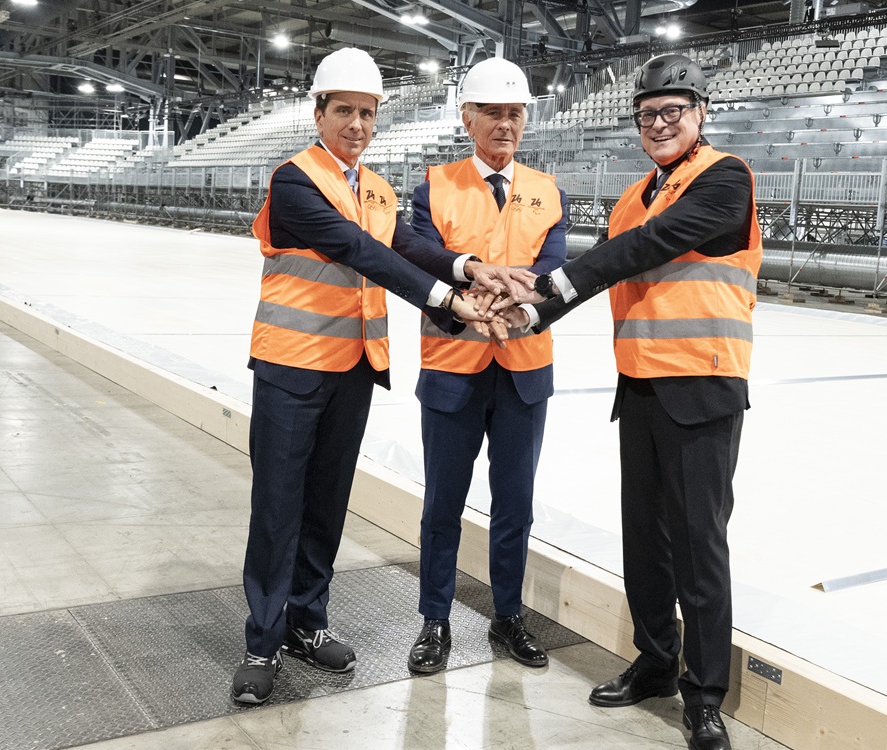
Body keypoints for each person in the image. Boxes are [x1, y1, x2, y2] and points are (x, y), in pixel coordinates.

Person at [233, 47, 527, 705]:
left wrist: (468, 268)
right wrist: (447, 301)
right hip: (291, 368)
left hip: (353, 368)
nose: (357, 124)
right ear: (318, 113)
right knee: (278, 507)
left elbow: (407, 245)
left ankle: (306, 621)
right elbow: (360, 250)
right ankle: (261, 642)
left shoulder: (376, 188)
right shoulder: (294, 181)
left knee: (326, 503)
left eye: (368, 113)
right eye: (345, 110)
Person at [506, 53, 762, 750]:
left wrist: (552, 285)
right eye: (647, 114)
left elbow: (650, 246)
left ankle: (704, 695)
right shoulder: (631, 199)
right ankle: (655, 661)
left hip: (703, 384)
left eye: (672, 111)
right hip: (642, 385)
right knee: (645, 540)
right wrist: (530, 313)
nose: (659, 124)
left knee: (699, 546)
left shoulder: (725, 178)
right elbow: (602, 269)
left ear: (700, 112)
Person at [404, 57, 568, 674]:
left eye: (515, 113)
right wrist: (479, 287)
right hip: (453, 366)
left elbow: (552, 272)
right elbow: (425, 262)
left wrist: (512, 302)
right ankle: (435, 619)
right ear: (467, 118)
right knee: (442, 503)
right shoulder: (435, 186)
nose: (505, 124)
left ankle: (508, 616)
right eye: (493, 113)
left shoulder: (548, 190)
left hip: (524, 370)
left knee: (515, 504)